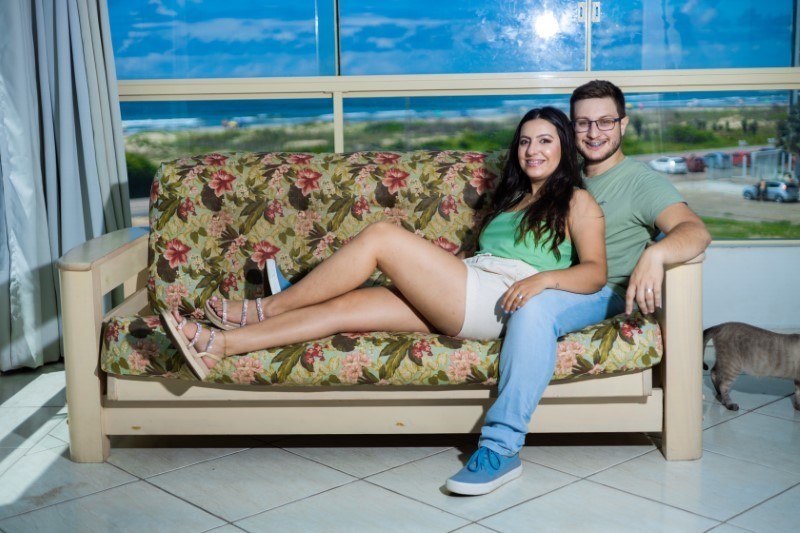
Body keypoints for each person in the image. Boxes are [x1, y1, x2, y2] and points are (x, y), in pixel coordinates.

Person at [161, 107, 608, 383]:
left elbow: (595, 272)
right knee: (342, 309)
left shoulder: (577, 200)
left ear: (563, 147)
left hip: (504, 299)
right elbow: (477, 259)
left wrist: (542, 281)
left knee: (381, 236)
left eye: (544, 141)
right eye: (525, 141)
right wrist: (433, 274)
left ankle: (266, 307)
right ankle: (220, 346)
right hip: (471, 288)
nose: (532, 150)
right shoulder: (510, 199)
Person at [445, 80, 712, 496]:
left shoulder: (639, 181)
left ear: (623, 124)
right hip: (545, 279)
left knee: (534, 307)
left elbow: (695, 231)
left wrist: (656, 254)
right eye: (583, 123)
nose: (594, 132)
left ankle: (500, 447)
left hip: (602, 292)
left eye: (605, 121)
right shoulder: (559, 175)